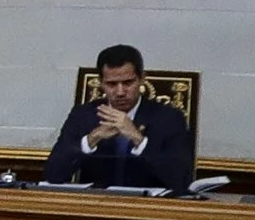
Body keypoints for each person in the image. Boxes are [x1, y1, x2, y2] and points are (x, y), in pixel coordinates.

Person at [45, 45, 195, 192]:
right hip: (95, 207)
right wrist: (92, 138)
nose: (120, 92)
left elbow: (182, 180)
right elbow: (53, 175)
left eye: (128, 83)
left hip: (148, 209)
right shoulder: (84, 115)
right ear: (101, 83)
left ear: (142, 79)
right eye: (111, 84)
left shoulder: (169, 118)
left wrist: (138, 139)